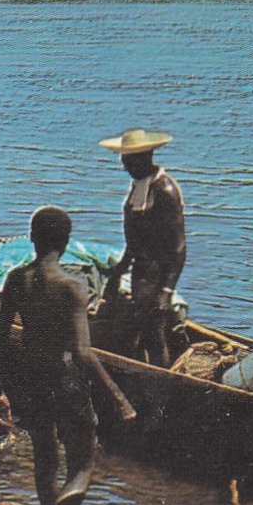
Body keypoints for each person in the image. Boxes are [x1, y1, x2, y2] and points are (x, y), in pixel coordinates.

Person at [0, 206, 136, 505]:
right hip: (65, 376)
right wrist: (119, 398)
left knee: (45, 457)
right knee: (83, 463)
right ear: (67, 241)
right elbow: (83, 351)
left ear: (32, 237)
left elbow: (0, 338)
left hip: (31, 377)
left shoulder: (16, 279)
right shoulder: (73, 285)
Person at [99, 128, 187, 366]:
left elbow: (178, 248)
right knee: (136, 334)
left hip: (157, 276)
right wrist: (117, 273)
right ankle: (141, 381)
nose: (124, 166)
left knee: (154, 336)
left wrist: (166, 292)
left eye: (128, 160)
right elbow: (135, 241)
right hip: (141, 273)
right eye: (123, 159)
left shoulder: (164, 191)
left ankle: (160, 389)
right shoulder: (138, 187)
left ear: (144, 158)